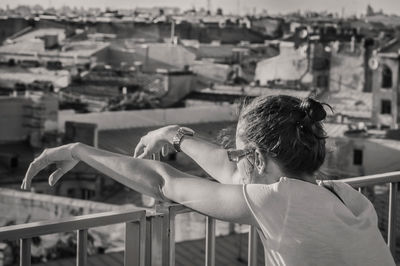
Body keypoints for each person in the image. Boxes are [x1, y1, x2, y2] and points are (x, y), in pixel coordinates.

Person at [22, 95, 395, 265]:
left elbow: (163, 182)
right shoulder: (346, 196)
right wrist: (173, 135)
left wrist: (77, 150)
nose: (231, 164)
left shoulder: (279, 202)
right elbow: (233, 172)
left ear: (259, 159)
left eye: (237, 152)